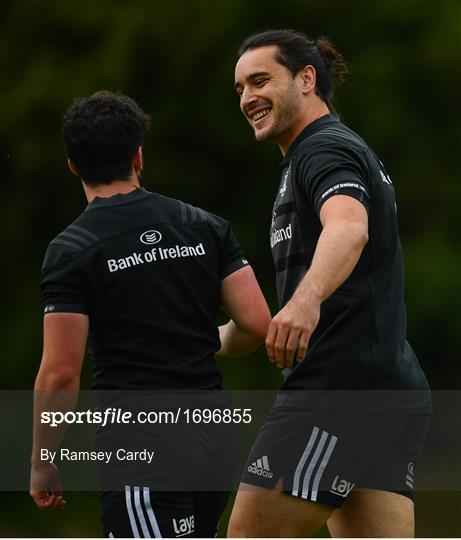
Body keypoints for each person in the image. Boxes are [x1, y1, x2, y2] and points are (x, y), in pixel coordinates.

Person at [29, 90, 271, 538]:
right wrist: (197, 342)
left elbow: (61, 374)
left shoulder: (71, 250)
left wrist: (42, 460)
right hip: (214, 435)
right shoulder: (204, 224)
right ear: (138, 156)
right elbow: (257, 325)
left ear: (73, 165)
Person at [229, 29, 432, 537]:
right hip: (386, 385)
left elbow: (349, 226)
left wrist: (305, 301)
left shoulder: (321, 150)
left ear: (306, 79)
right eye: (239, 88)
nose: (248, 97)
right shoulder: (315, 153)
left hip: (338, 390)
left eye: (260, 80)